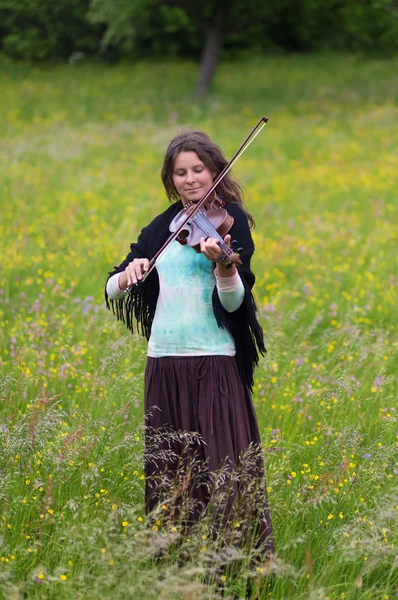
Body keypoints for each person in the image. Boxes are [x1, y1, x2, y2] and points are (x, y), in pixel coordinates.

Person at [105, 129, 273, 560]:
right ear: (170, 178)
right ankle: (174, 563)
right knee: (170, 470)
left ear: (214, 170)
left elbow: (236, 303)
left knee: (225, 469)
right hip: (164, 361)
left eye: (198, 169)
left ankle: (234, 564)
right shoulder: (162, 226)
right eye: (180, 172)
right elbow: (112, 288)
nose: (190, 179)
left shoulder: (229, 222)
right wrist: (128, 275)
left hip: (214, 361)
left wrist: (223, 267)